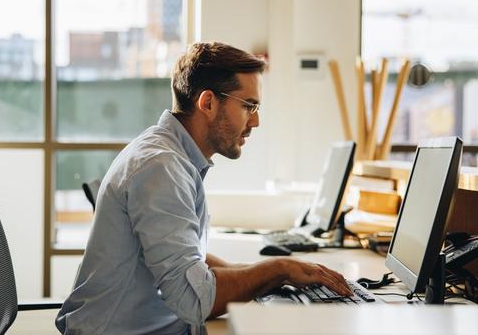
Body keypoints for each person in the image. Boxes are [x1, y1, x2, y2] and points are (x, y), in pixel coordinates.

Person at [55, 42, 352, 335]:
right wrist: (277, 271)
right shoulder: (161, 167)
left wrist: (267, 273)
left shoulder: (170, 155)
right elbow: (193, 300)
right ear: (208, 103)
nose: (257, 121)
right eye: (249, 106)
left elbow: (183, 256)